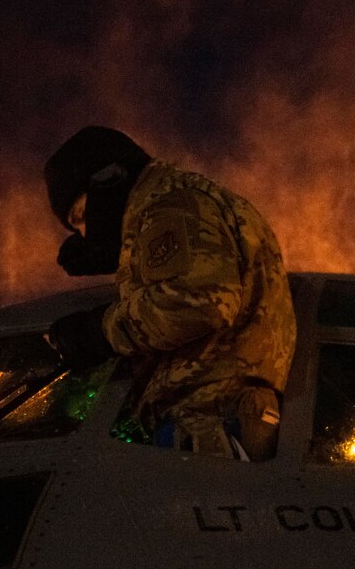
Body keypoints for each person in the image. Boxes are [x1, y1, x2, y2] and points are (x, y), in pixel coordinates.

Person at [42, 126, 296, 461]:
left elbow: (199, 302)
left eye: (81, 216)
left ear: (108, 180)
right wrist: (126, 254)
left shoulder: (173, 206)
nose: (87, 232)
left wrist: (100, 331)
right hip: (218, 417)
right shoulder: (184, 201)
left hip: (209, 422)